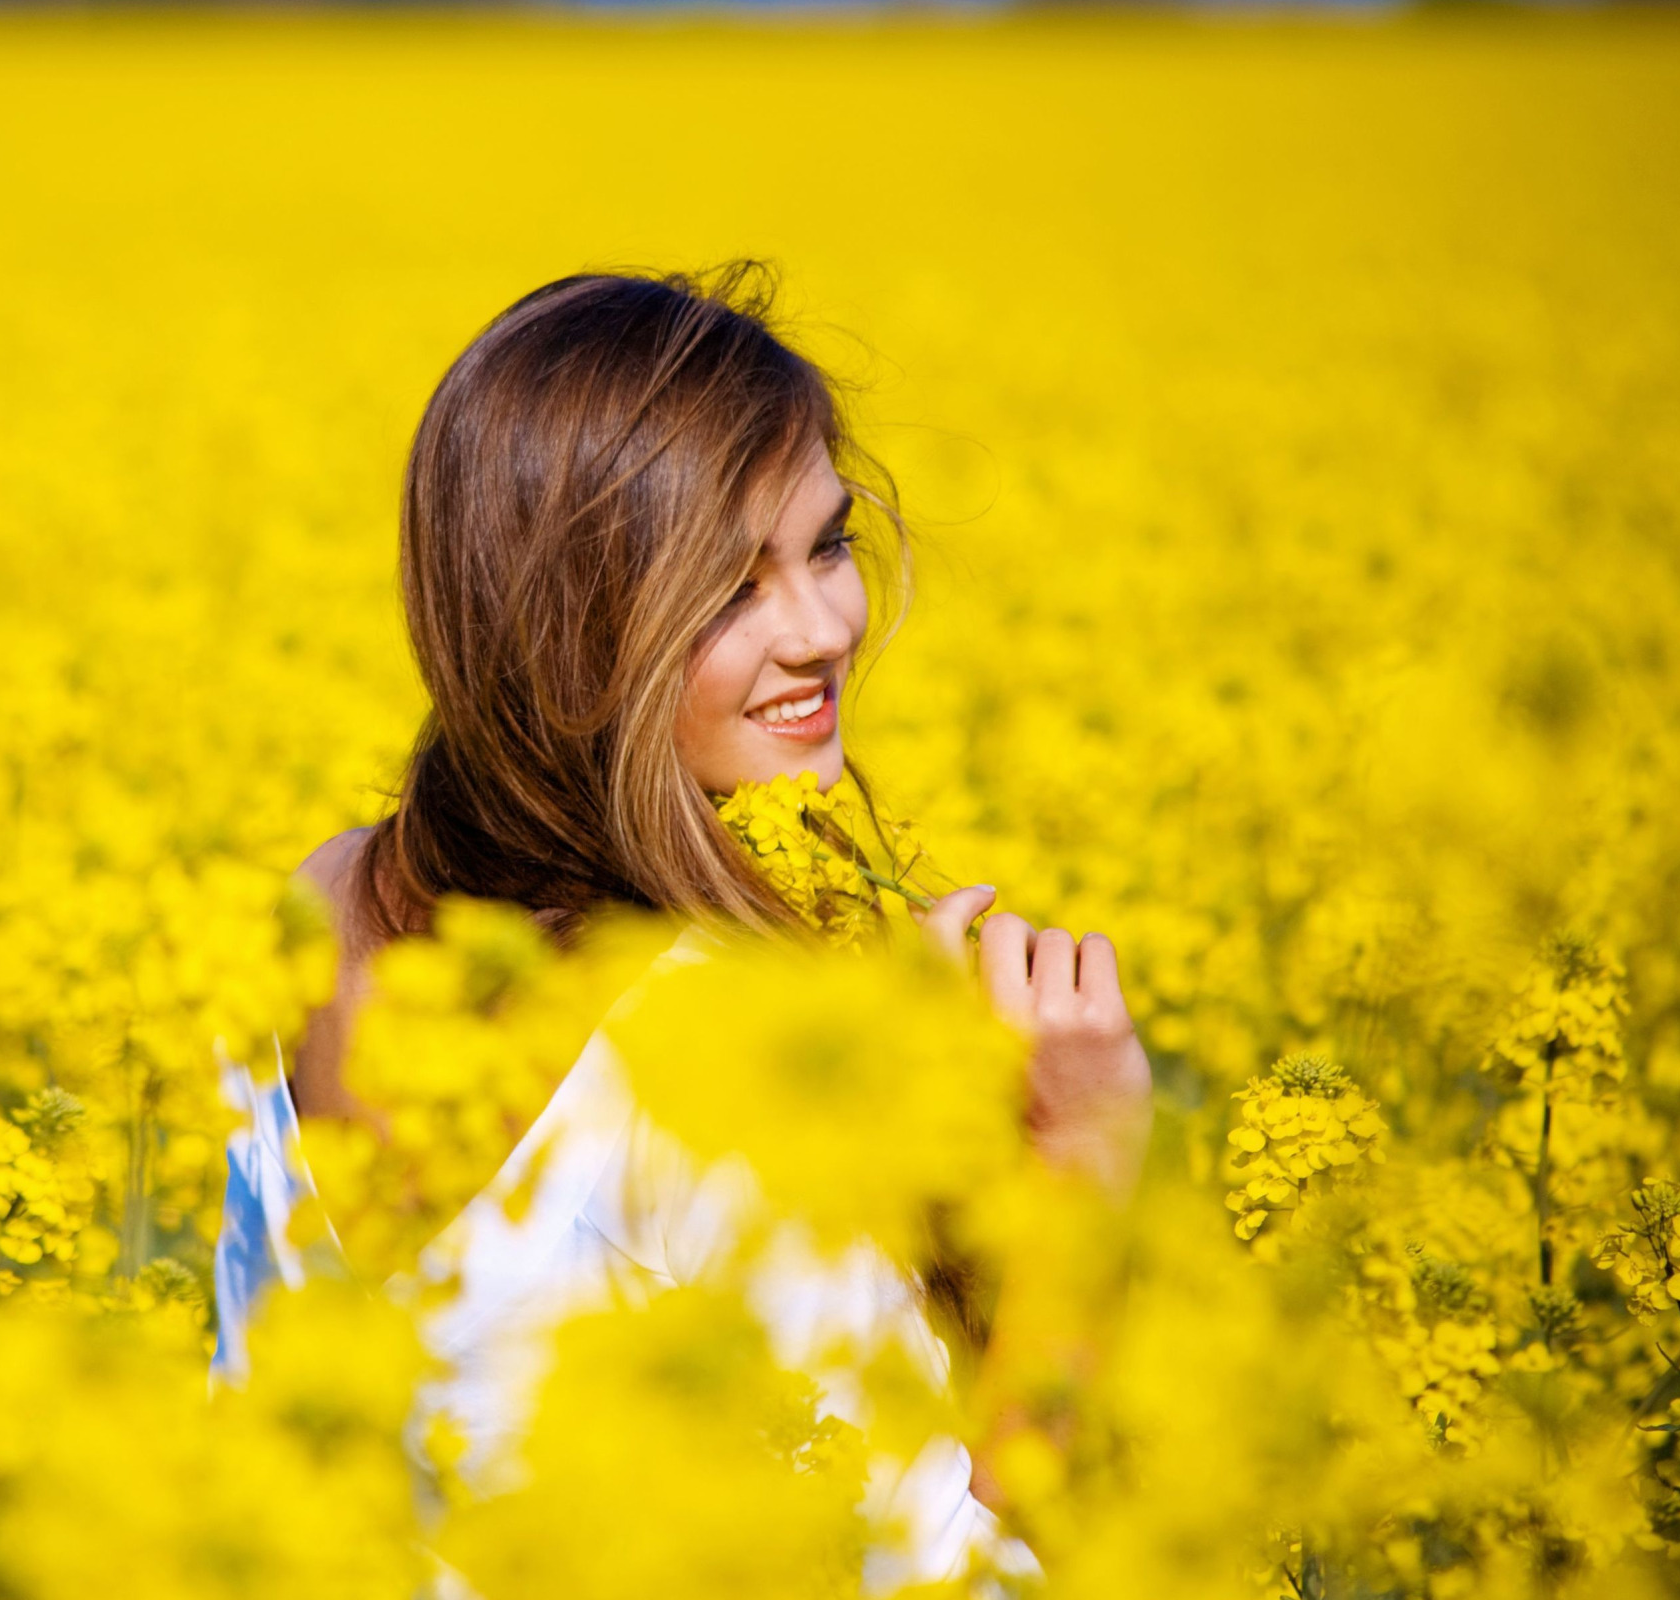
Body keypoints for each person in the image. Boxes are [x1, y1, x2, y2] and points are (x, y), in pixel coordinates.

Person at [213, 263, 1154, 1591]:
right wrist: (1078, 1156)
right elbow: (969, 1580)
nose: (826, 627)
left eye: (827, 545)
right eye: (730, 584)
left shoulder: (319, 903)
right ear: (571, 624)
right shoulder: (709, 1067)